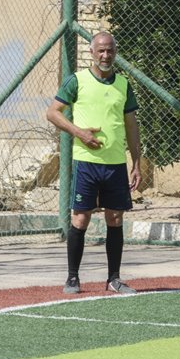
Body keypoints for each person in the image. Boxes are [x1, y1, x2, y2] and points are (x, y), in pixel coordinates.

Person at [45, 31, 142, 295]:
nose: (105, 55)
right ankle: (72, 278)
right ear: (92, 52)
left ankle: (114, 279)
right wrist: (79, 132)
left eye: (110, 50)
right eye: (101, 50)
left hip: (115, 164)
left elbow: (131, 125)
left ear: (115, 53)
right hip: (86, 163)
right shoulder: (76, 81)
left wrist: (136, 162)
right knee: (80, 219)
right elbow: (52, 113)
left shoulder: (123, 84)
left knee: (115, 218)